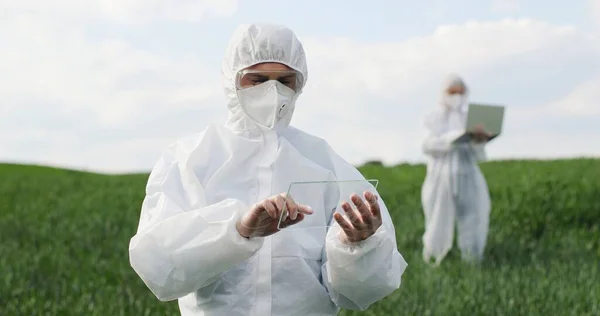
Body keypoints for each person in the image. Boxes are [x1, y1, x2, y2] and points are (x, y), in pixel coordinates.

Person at [128, 23, 407, 316]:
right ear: (231, 80)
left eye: (285, 80)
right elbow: (157, 264)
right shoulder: (190, 159)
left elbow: (360, 291)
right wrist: (237, 230)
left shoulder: (324, 163)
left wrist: (357, 247)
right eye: (257, 79)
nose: (273, 91)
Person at [420, 74, 492, 265]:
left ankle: (473, 259)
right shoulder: (433, 117)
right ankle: (433, 258)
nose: (457, 97)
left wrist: (479, 140)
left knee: (473, 217)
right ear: (444, 93)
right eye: (452, 93)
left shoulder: (469, 118)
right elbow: (427, 145)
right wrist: (452, 139)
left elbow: (478, 154)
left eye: (461, 93)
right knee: (437, 219)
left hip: (468, 175)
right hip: (440, 177)